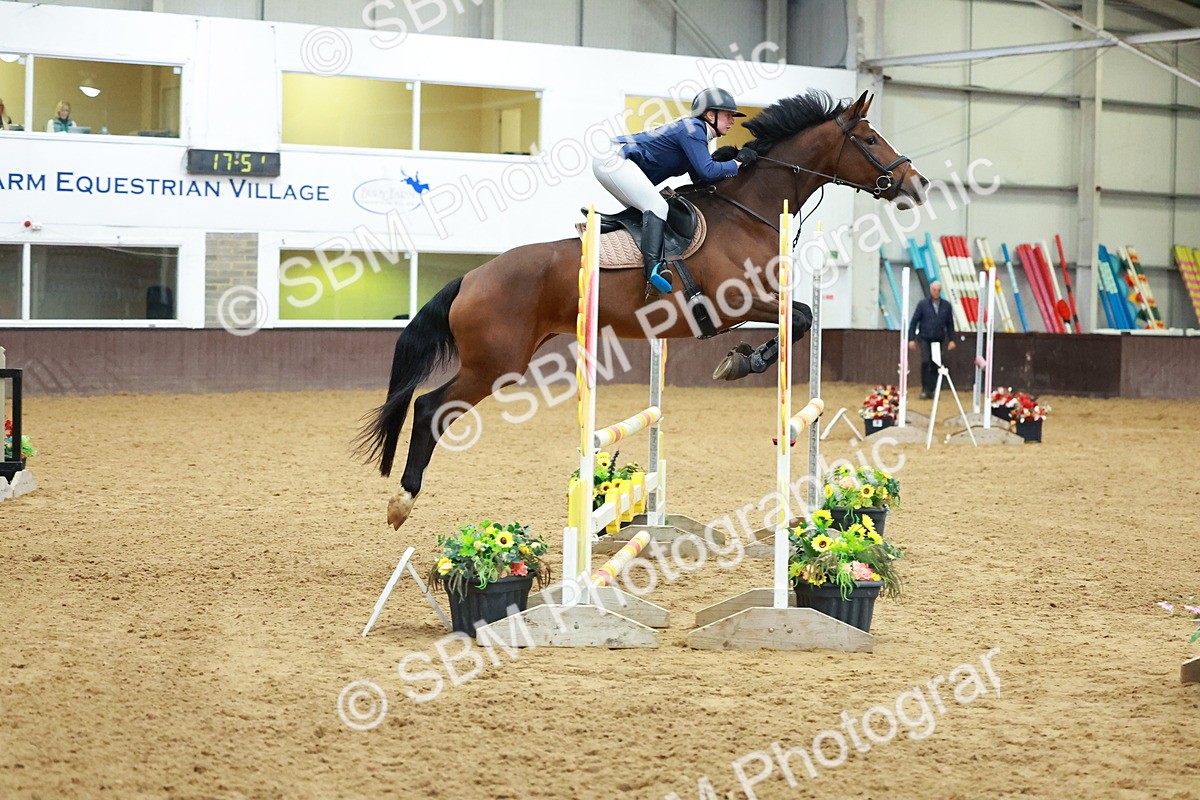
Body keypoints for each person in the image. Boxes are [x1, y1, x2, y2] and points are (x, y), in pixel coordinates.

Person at [592, 87, 757, 294]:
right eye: (728, 115)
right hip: (613, 159)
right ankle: (653, 270)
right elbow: (708, 171)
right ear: (710, 115)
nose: (732, 121)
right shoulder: (693, 129)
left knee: (651, 210)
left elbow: (700, 181)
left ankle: (607, 225)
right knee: (657, 206)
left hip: (614, 160)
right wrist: (737, 163)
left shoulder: (697, 136)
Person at [908, 281, 957, 399]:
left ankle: (932, 389)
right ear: (931, 291)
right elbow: (914, 321)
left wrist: (952, 339)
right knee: (925, 361)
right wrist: (911, 339)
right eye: (934, 290)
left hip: (938, 339)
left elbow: (950, 324)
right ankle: (925, 389)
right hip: (924, 337)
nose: (936, 292)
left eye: (938, 290)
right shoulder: (922, 304)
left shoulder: (946, 306)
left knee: (936, 363)